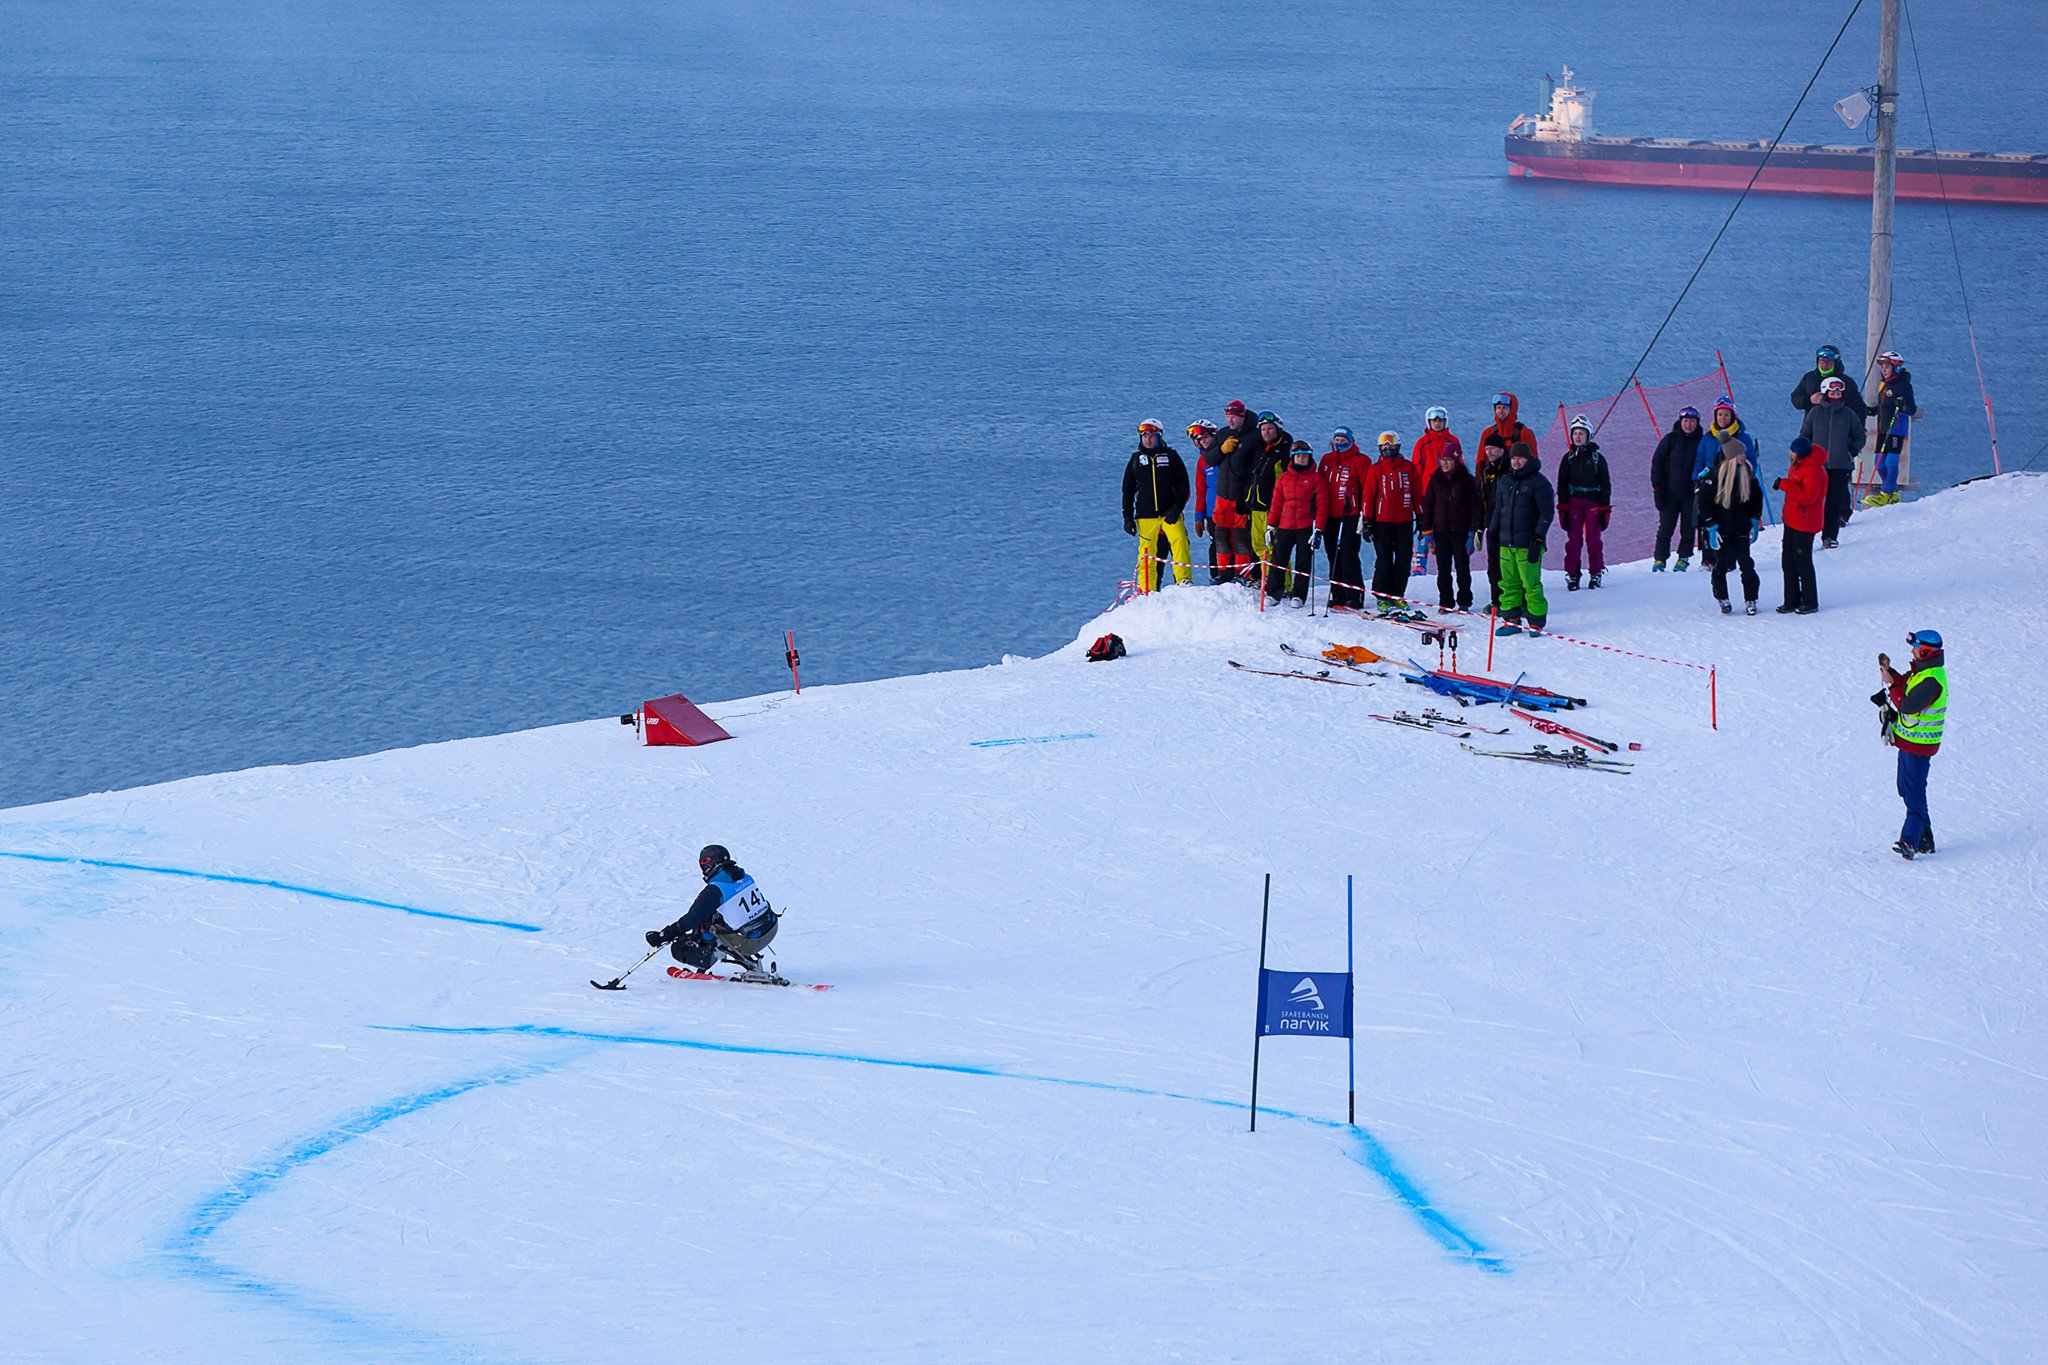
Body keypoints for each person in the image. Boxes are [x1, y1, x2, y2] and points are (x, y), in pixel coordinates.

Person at [646, 845, 780, 973]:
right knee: (718, 913)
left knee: (700, 926)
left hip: (749, 942)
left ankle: (704, 953)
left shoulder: (715, 890)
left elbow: (691, 919)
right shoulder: (745, 877)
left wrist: (664, 935)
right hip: (770, 929)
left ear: (709, 864)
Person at [1881, 630, 1948, 859]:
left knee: (1915, 793)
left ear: (1927, 651)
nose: (1912, 651)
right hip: (1909, 743)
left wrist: (1892, 688)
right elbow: (1907, 685)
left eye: (1915, 647)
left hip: (1919, 747)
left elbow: (1908, 705)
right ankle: (1925, 838)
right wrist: (1892, 675)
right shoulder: (1922, 673)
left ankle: (1909, 841)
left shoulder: (1931, 680)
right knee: (1905, 789)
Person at [1487, 441, 1554, 636]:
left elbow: (1546, 513)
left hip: (1528, 544)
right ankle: (1511, 620)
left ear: (1528, 459)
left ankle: (1536, 621)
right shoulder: (1505, 482)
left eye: (1520, 458)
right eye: (1514, 458)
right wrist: (1492, 533)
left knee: (1530, 584)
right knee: (1508, 583)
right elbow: (1498, 510)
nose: (1516, 461)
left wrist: (1539, 538)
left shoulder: (1539, 483)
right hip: (1506, 543)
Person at [1121, 419, 1191, 590]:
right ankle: (1147, 589)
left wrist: (1176, 508)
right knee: (1146, 553)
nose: (1148, 439)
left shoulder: (1171, 456)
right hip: (1145, 516)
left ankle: (1183, 580)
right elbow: (1128, 490)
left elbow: (1183, 486)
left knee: (1180, 541)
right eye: (1144, 436)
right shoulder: (1136, 460)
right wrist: (1128, 517)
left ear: (1159, 436)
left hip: (1169, 513)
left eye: (1152, 436)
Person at [1415, 434, 1480, 611]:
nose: (1445, 463)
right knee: (1443, 570)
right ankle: (1445, 602)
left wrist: (1473, 531)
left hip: (1461, 531)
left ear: (1456, 460)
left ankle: (1464, 601)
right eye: (1442, 460)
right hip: (1440, 532)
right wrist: (1427, 532)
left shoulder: (1467, 480)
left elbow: (1475, 506)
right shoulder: (1435, 479)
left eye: (1448, 460)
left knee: (1462, 569)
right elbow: (1428, 505)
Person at [1800, 376, 1866, 548]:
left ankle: (1830, 536)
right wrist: (1804, 454)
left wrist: (1851, 450)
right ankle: (1807, 536)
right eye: (1832, 392)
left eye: (1838, 392)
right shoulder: (1815, 413)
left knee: (1833, 502)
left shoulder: (1848, 414)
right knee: (1813, 501)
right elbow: (1805, 435)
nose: (1836, 395)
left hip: (1840, 465)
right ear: (1825, 392)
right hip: (1816, 466)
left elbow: (1860, 435)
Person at [1700, 438, 1763, 615]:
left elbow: (1756, 499)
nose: (1745, 456)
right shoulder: (1713, 476)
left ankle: (1751, 598)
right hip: (1721, 530)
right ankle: (1722, 598)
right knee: (1721, 565)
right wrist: (1711, 526)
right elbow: (1705, 504)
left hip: (1741, 528)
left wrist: (1754, 519)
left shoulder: (1748, 474)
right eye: (1741, 453)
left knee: (1746, 564)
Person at [1265, 439, 1328, 607]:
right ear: (1292, 458)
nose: (1301, 459)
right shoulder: (1284, 479)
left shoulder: (1316, 480)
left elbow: (1322, 507)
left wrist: (1319, 530)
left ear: (1309, 458)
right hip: (1285, 526)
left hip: (1305, 527)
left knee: (1303, 561)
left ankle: (1298, 595)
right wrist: (1270, 526)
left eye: (1304, 456)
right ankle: (1273, 592)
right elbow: (1276, 504)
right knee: (1278, 559)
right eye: (1298, 456)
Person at [1555, 415, 1611, 591]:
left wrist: (1605, 508)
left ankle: (1596, 572)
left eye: (1581, 433)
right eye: (1575, 433)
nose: (1578, 437)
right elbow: (1561, 484)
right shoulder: (1568, 458)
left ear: (1588, 435)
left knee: (1593, 540)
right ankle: (1572, 574)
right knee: (1574, 541)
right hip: (1574, 503)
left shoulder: (1597, 459)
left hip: (1593, 503)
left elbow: (1606, 484)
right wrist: (1563, 507)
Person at [1650, 406, 1710, 571]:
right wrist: (1658, 488)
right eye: (1685, 421)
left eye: (1692, 421)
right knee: (1665, 529)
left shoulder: (1701, 441)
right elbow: (1657, 463)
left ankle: (1683, 558)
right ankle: (1660, 559)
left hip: (1691, 494)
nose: (1688, 425)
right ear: (1680, 422)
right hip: (1670, 493)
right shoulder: (1671, 440)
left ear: (1697, 423)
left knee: (1688, 528)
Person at [1773, 435, 1828, 614]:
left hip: (1805, 524)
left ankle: (1810, 601)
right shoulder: (1799, 466)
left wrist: (1785, 485)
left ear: (1800, 454)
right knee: (1787, 561)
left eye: (1793, 451)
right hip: (1792, 520)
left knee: (1802, 562)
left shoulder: (1813, 470)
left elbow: (1807, 498)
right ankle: (1792, 600)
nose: (1790, 453)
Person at [1317, 428, 1371, 608]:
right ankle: (1337, 593)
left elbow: (1367, 489)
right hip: (1330, 515)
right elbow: (1320, 485)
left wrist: (1365, 514)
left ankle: (1354, 595)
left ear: (1351, 441)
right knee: (1333, 554)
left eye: (1343, 440)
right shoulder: (1327, 460)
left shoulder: (1361, 460)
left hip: (1350, 514)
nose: (1340, 443)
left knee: (1348, 554)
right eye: (1337, 440)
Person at [1211, 404, 1264, 582]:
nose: (1230, 420)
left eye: (1234, 417)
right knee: (1221, 536)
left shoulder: (1255, 436)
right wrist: (1221, 449)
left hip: (1241, 495)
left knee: (1241, 538)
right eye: (1227, 416)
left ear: (1243, 416)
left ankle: (1243, 574)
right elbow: (1209, 458)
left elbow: (1258, 466)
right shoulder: (1222, 434)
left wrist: (1248, 494)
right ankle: (1223, 573)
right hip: (1222, 494)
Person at [1366, 432, 1417, 603]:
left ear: (1398, 446)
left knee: (1404, 560)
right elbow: (1368, 496)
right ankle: (1381, 595)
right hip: (1382, 522)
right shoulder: (1375, 469)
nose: (1388, 447)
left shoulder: (1408, 467)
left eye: (1391, 444)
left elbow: (1417, 494)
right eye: (1384, 445)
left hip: (1404, 521)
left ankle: (1397, 594)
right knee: (1384, 560)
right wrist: (1368, 520)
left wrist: (1422, 517)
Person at [1244, 411, 1294, 573]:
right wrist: (1244, 500)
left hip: (1272, 508)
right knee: (1259, 546)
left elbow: (1287, 481)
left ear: (1278, 429)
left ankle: (1283, 586)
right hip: (1256, 506)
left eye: (1270, 429)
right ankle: (1269, 582)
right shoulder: (1259, 448)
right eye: (1263, 429)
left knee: (1275, 548)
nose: (1266, 433)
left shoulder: (1285, 451)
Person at [1868, 351, 1918, 506]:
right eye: (1882, 366)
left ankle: (1887, 492)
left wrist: (1902, 405)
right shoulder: (1884, 384)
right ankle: (1891, 491)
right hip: (1883, 428)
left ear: (1896, 367)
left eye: (1886, 366)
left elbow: (1911, 409)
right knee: (1879, 462)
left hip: (1896, 428)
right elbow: (1885, 406)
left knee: (1890, 461)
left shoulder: (1903, 385)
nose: (1883, 370)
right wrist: (1872, 411)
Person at [1475, 430, 1510, 609]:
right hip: (1492, 524)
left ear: (1502, 450)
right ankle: (1496, 600)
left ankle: (1513, 601)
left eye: (1493, 449)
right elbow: (1483, 500)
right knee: (1494, 564)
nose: (1489, 452)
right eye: (1487, 449)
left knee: (1509, 565)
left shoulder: (1511, 467)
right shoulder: (1487, 471)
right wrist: (1480, 527)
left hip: (1510, 525)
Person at [1187, 420, 1225, 582]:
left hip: (1232, 507)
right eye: (1199, 440)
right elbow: (1200, 491)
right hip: (1212, 511)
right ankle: (1217, 576)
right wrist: (1198, 517)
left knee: (1238, 542)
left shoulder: (1226, 452)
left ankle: (1242, 575)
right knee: (1216, 545)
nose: (1203, 442)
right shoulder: (1202, 462)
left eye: (1205, 438)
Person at [1790, 343, 1869, 418]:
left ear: (1835, 363)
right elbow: (1795, 398)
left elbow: (1859, 410)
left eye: (1828, 362)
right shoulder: (1809, 378)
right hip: (1813, 429)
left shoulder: (1846, 383)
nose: (1825, 365)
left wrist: (1857, 430)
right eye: (1822, 362)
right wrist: (1809, 400)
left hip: (1839, 428)